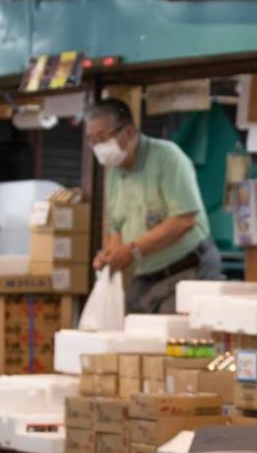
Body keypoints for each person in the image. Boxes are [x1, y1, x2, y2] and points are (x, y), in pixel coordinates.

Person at [85, 99, 223, 313]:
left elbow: (184, 220)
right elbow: (117, 230)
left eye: (103, 138)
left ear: (129, 132)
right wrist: (110, 256)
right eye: (92, 141)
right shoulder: (114, 174)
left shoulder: (167, 157)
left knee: (172, 342)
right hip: (146, 278)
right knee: (133, 338)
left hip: (187, 270)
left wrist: (131, 251)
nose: (99, 147)